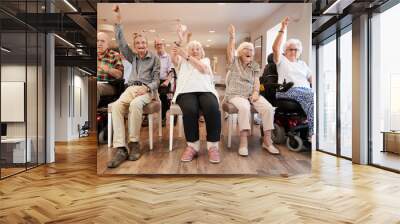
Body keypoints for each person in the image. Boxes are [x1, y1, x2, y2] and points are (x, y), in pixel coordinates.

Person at [107, 5, 160, 168]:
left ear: (147, 43)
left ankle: (134, 143)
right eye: (138, 44)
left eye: (143, 43)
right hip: (131, 88)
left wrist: (147, 88)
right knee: (116, 107)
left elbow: (157, 79)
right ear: (135, 46)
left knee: (136, 104)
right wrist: (118, 21)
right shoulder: (134, 56)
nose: (141, 46)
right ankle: (121, 148)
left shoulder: (154, 58)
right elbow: (122, 43)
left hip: (146, 90)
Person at [225, 24, 279, 156]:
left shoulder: (254, 65)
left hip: (251, 94)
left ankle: (267, 141)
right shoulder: (234, 61)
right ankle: (243, 142)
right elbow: (230, 53)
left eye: (251, 50)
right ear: (240, 51)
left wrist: (255, 92)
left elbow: (256, 81)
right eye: (246, 49)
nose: (250, 51)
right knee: (244, 108)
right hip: (235, 94)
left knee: (268, 108)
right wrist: (232, 37)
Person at [171, 24, 221, 164]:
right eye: (192, 49)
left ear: (201, 51)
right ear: (187, 50)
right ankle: (192, 146)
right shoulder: (181, 61)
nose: (194, 51)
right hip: (186, 92)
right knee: (190, 109)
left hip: (206, 91)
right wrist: (180, 38)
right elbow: (174, 56)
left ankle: (213, 146)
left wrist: (186, 55)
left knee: (212, 107)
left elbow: (202, 69)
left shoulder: (205, 60)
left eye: (197, 49)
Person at [272, 17, 314, 138]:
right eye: (291, 49)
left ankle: (311, 128)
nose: (294, 51)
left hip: (305, 91)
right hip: (286, 91)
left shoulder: (303, 64)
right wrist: (283, 29)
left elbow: (312, 79)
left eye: (296, 49)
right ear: (285, 51)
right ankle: (312, 134)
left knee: (316, 97)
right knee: (311, 96)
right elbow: (275, 48)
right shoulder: (281, 61)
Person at [97, 32, 124, 106]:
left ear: (107, 44)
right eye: (97, 40)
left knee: (94, 88)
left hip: (108, 85)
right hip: (92, 82)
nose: (99, 43)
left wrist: (107, 69)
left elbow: (119, 75)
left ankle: (90, 114)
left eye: (102, 41)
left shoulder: (114, 55)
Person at [154, 38, 174, 126]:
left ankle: (163, 117)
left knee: (163, 97)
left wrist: (167, 81)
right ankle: (146, 116)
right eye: (157, 44)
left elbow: (171, 71)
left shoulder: (168, 57)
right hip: (154, 80)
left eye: (160, 44)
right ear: (155, 46)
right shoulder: (153, 57)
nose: (159, 46)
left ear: (164, 45)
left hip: (165, 80)